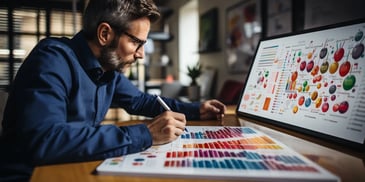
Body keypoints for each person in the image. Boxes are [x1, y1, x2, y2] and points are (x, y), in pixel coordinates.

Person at [0, 0, 226, 181]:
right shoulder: (52, 59)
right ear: (105, 34)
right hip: (31, 174)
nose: (141, 54)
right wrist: (146, 133)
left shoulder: (108, 70)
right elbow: (45, 141)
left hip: (70, 163)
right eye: (137, 43)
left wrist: (196, 109)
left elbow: (142, 102)